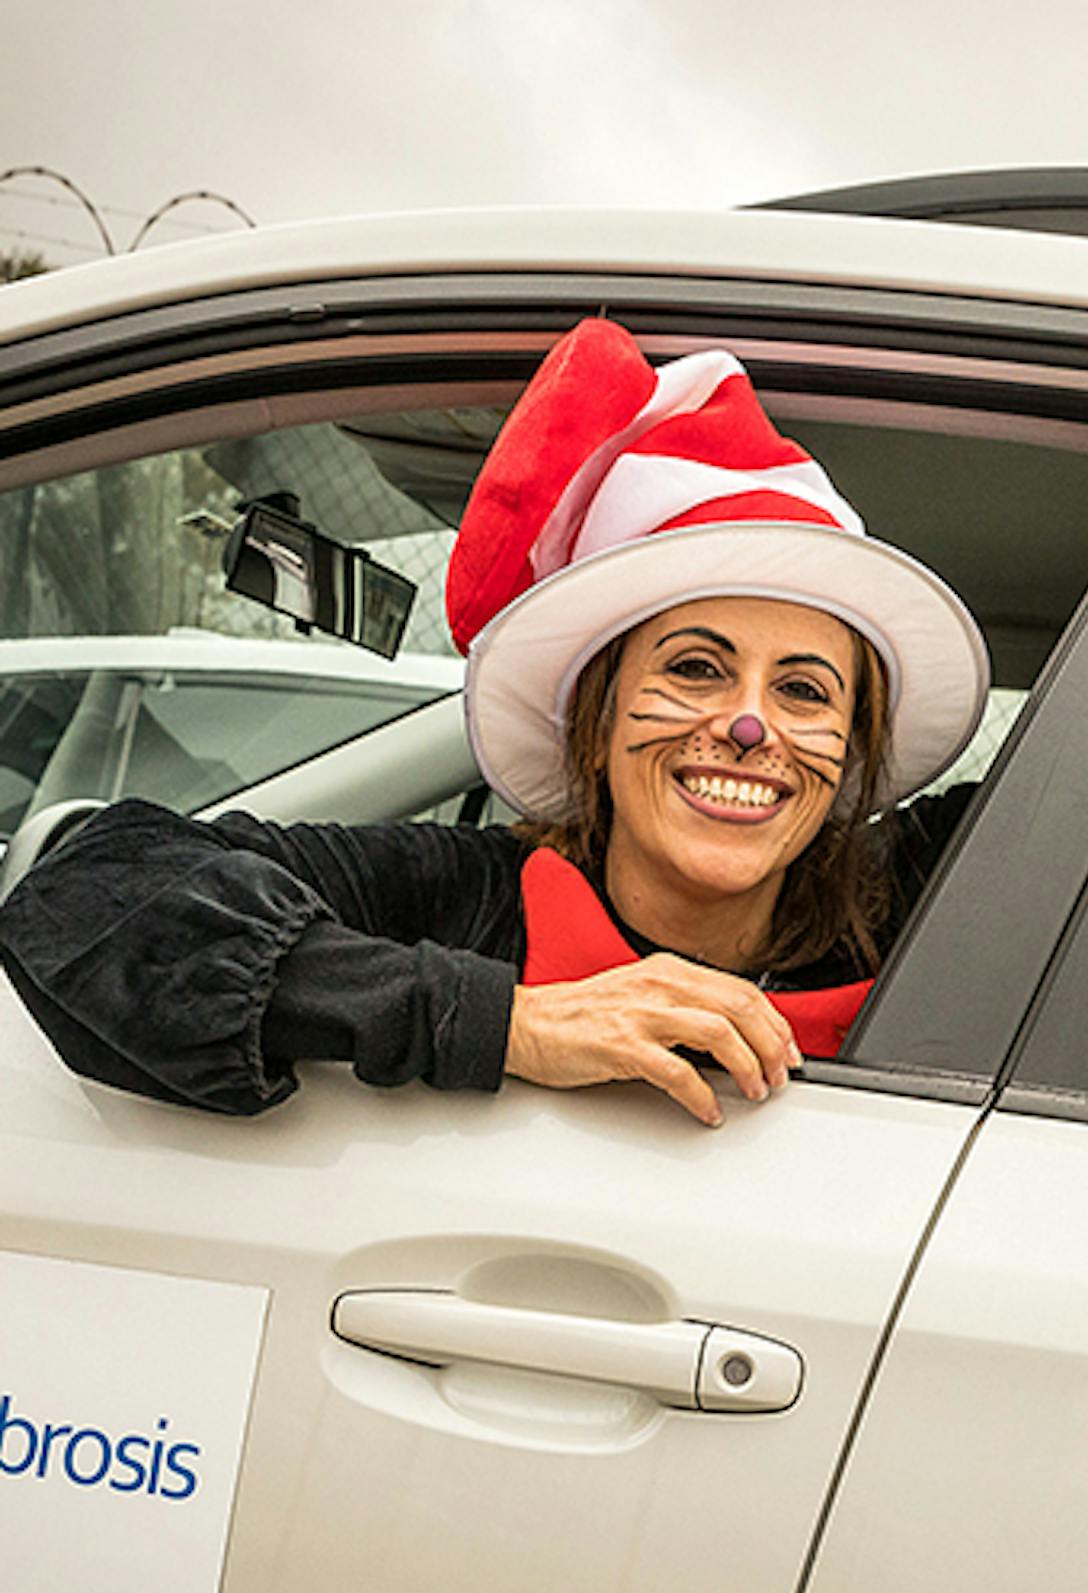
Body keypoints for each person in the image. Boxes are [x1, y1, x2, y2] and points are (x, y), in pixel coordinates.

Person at [0, 321, 990, 1127]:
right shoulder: (461, 895)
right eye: (695, 668)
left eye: (806, 692)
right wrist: (506, 1024)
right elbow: (88, 893)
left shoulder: (934, 901)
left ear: (852, 750)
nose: (745, 727)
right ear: (594, 721)